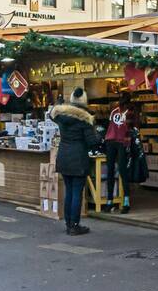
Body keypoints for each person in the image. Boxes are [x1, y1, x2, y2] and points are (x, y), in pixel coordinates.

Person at [49, 88, 100, 237]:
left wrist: (57, 103)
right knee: (77, 192)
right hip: (78, 158)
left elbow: (51, 114)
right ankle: (75, 225)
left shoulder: (61, 116)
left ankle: (68, 223)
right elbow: (92, 141)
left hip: (64, 156)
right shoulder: (85, 119)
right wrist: (100, 137)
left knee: (69, 191)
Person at [103, 90, 138, 213]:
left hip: (110, 141)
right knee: (123, 172)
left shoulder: (114, 110)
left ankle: (109, 201)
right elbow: (132, 128)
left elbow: (110, 125)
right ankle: (126, 202)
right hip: (122, 143)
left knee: (110, 172)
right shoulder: (131, 112)